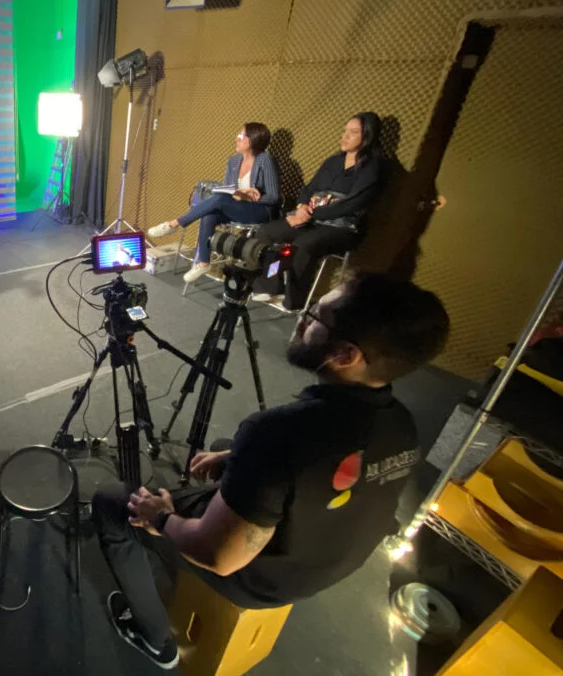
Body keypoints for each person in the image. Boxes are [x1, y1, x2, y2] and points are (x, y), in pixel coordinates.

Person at [92, 272, 449, 669]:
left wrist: (159, 517)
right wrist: (237, 457)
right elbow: (324, 463)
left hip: (260, 580)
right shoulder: (402, 423)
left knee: (113, 502)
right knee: (225, 447)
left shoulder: (278, 431)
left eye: (315, 316)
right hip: (327, 559)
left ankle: (155, 638)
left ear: (346, 355)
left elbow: (219, 557)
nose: (301, 318)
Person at [250, 112, 385, 311]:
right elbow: (308, 189)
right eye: (345, 131)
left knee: (302, 245)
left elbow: (351, 205)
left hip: (343, 227)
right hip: (312, 220)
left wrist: (309, 215)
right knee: (266, 233)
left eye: (353, 132)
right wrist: (301, 207)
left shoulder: (373, 167)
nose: (345, 136)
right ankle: (270, 285)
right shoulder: (333, 162)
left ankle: (294, 300)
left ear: (367, 136)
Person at [147, 123, 281, 283]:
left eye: (242, 135)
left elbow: (274, 197)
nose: (237, 138)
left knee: (220, 199)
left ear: (254, 138)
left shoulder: (265, 160)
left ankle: (174, 224)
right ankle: (204, 262)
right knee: (209, 213)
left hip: (259, 210)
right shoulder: (234, 161)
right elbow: (228, 190)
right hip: (238, 207)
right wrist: (240, 193)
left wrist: (249, 197)